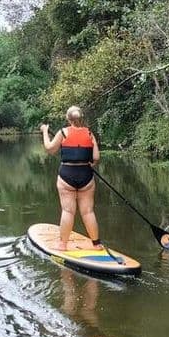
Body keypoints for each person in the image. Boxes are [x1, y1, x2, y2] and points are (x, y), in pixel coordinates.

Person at [40, 106, 101, 251]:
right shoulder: (90, 133)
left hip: (67, 175)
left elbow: (50, 149)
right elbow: (96, 158)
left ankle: (62, 245)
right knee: (88, 211)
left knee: (68, 211)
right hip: (86, 176)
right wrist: (90, 164)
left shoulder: (63, 132)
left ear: (68, 119)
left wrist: (44, 132)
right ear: (81, 118)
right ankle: (97, 244)